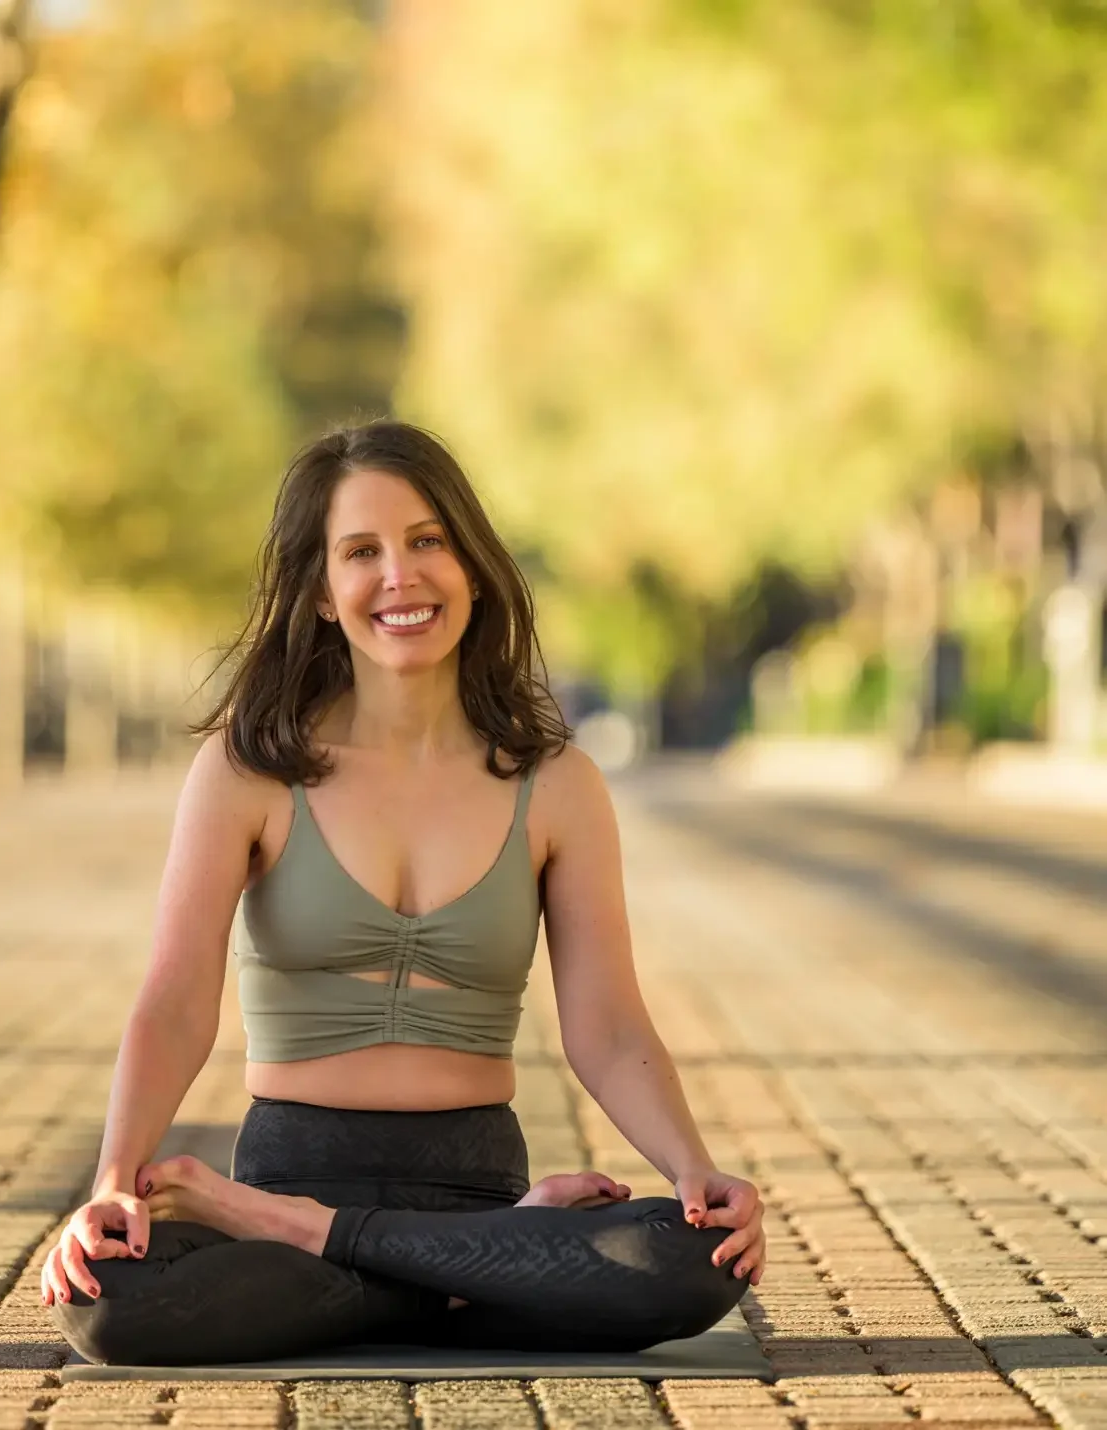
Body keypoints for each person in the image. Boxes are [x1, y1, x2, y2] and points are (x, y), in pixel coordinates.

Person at [42, 420, 767, 1365]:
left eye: (428, 540)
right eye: (361, 552)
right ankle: (476, 1279)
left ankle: (342, 1249)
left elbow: (609, 1026)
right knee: (112, 1302)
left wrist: (693, 1170)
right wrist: (112, 1179)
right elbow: (177, 1001)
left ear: (471, 564)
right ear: (320, 591)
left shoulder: (555, 784)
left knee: (698, 1260)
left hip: (460, 1182)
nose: (401, 576)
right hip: (297, 1165)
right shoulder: (248, 771)